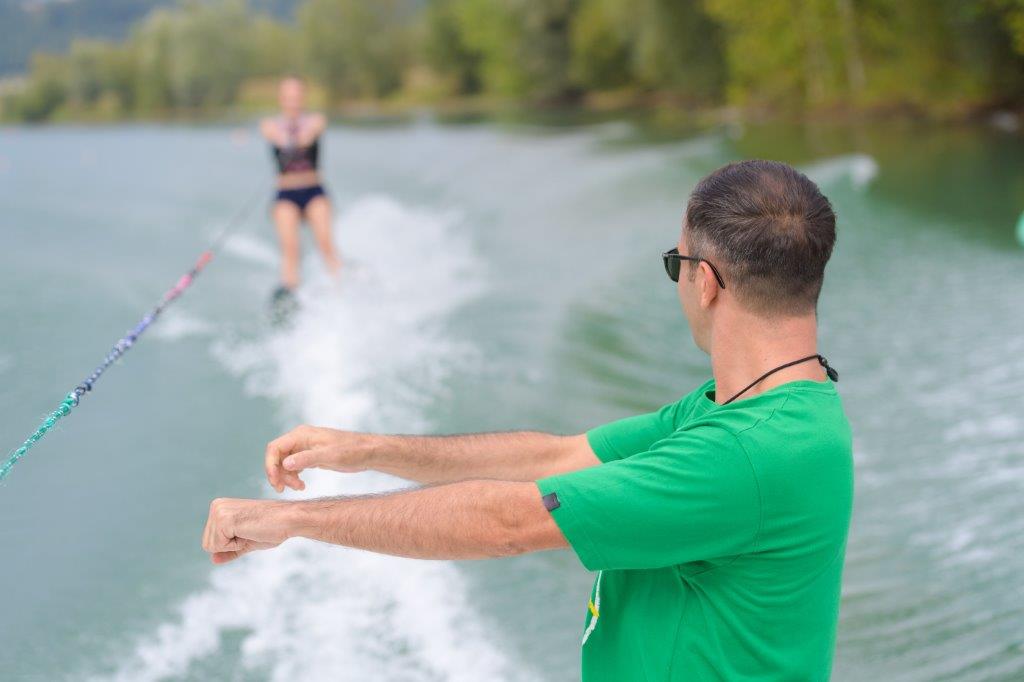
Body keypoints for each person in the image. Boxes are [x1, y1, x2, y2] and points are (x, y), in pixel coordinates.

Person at [202, 160, 854, 681]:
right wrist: (368, 448)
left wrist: (290, 520)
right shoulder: (758, 406)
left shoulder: (744, 454)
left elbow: (512, 521)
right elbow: (559, 457)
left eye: (675, 265)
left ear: (706, 282)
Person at [260, 75, 341, 292]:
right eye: (289, 97)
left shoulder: (315, 120)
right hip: (286, 194)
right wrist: (285, 137)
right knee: (291, 249)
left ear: (303, 98)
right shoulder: (270, 124)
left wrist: (303, 135)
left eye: (297, 97)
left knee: (325, 244)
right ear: (281, 99)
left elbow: (312, 132)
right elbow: (272, 134)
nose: (293, 102)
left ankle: (342, 287)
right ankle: (291, 293)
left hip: (314, 190)